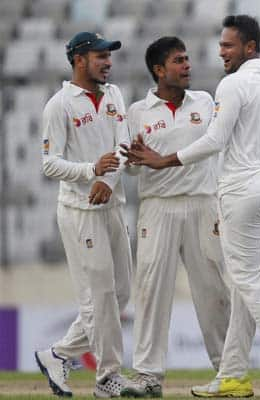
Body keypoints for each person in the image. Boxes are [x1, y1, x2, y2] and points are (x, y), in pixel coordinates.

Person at [121, 15, 260, 398]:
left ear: (249, 47)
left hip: (241, 192)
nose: (220, 52)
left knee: (247, 283)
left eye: (228, 46)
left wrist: (164, 159)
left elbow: (214, 141)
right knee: (242, 286)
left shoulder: (231, 84)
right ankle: (233, 375)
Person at [118, 36, 230, 398]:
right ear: (158, 70)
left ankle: (228, 372)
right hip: (158, 207)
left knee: (214, 291)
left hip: (202, 204)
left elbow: (216, 146)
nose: (187, 66)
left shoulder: (206, 102)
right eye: (179, 61)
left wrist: (161, 156)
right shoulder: (137, 111)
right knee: (151, 291)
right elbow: (131, 169)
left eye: (187, 59)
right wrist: (136, 160)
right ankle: (149, 375)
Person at [35, 31, 132, 398]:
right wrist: (89, 171)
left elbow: (122, 145)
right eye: (100, 55)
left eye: (109, 55)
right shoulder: (59, 105)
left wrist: (107, 178)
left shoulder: (114, 95)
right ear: (79, 60)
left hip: (112, 204)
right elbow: (49, 163)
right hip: (80, 211)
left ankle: (58, 354)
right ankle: (108, 378)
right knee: (100, 297)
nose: (108, 62)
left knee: (120, 294)